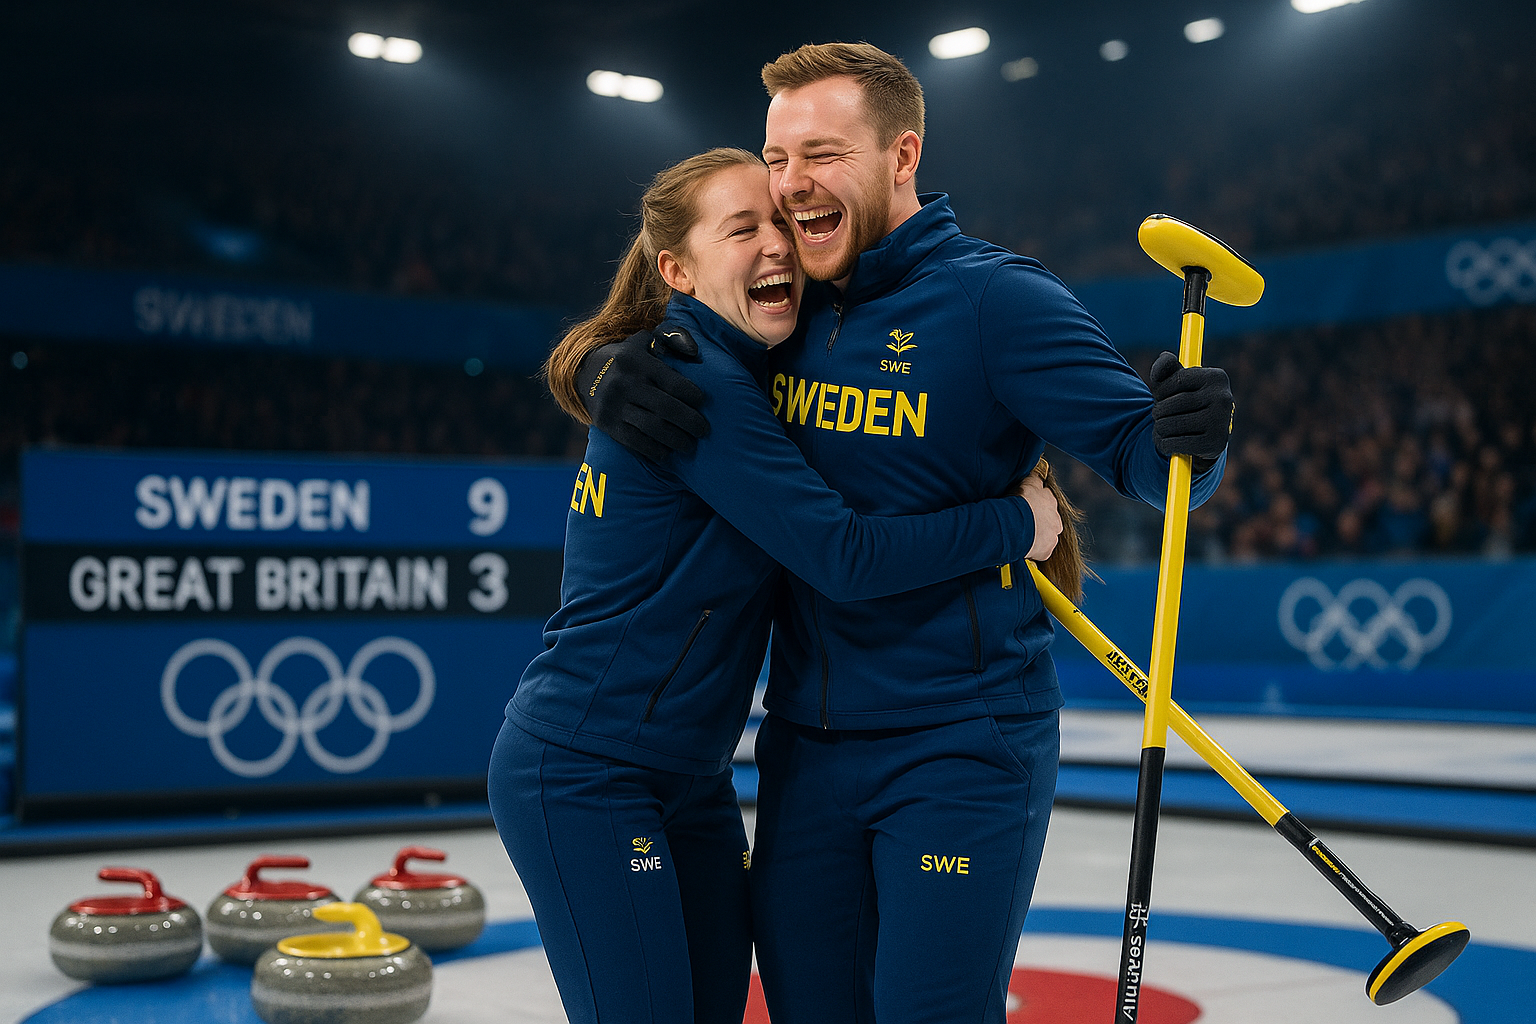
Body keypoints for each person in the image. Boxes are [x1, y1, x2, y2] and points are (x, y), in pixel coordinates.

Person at [570, 44, 1236, 1024]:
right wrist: (607, 367)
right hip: (804, 748)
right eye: (779, 158)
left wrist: (1198, 434)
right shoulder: (779, 299)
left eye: (823, 155)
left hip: (959, 745)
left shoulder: (996, 300)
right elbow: (661, 308)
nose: (793, 186)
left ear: (902, 156)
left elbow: (1148, 461)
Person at [487, 147, 1072, 1024]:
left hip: (692, 776)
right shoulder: (695, 382)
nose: (776, 245)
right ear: (676, 271)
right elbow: (842, 556)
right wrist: (1016, 525)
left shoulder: (759, 364)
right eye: (741, 228)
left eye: (779, 222)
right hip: (589, 766)